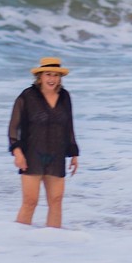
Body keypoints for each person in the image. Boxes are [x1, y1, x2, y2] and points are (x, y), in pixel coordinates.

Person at [9, 57, 79, 228]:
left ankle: (53, 245)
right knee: (30, 201)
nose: (52, 79)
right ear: (40, 76)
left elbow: (68, 126)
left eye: (56, 75)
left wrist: (74, 153)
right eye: (48, 74)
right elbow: (13, 127)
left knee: (56, 201)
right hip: (32, 154)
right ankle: (17, 242)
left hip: (57, 155)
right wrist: (17, 152)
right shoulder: (27, 96)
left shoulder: (64, 97)